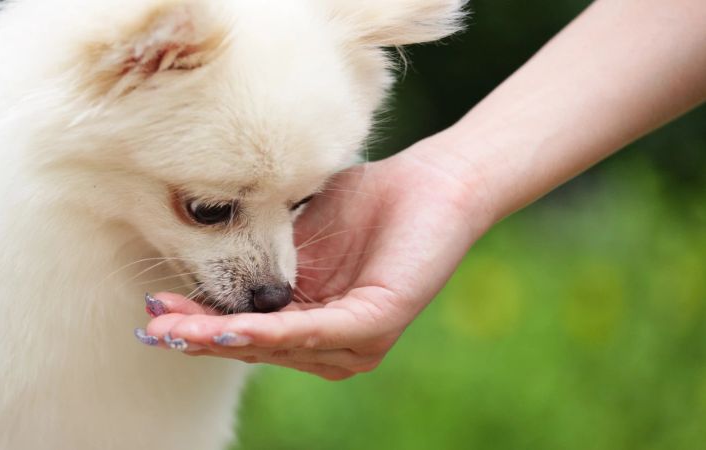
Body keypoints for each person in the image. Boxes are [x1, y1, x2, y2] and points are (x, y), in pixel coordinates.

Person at [143, 0, 706, 380]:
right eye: (211, 209)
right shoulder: (146, 40)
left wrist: (456, 179)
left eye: (300, 202)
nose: (277, 283)